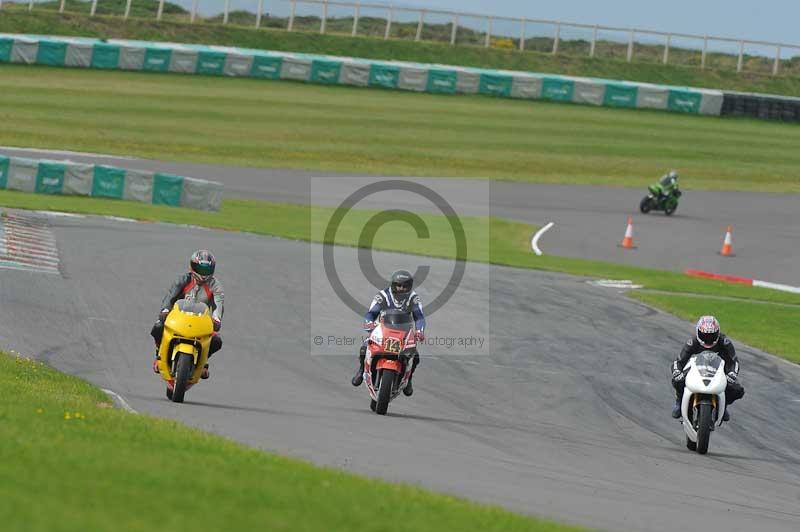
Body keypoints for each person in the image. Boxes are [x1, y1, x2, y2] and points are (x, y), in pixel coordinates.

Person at [151, 250, 225, 380]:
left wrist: (216, 319)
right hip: (178, 318)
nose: (203, 273)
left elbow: (218, 304)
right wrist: (165, 310)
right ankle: (158, 356)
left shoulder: (215, 286)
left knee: (216, 341)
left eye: (206, 269)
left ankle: (203, 364)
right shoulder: (183, 279)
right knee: (158, 327)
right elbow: (170, 296)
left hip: (201, 322)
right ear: (192, 266)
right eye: (200, 268)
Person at [351, 270, 426, 396]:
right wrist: (369, 324)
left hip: (404, 332)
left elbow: (419, 317)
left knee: (415, 355)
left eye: (404, 286)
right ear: (393, 284)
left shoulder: (414, 298)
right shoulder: (382, 295)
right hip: (383, 328)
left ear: (409, 286)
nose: (401, 288)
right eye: (398, 285)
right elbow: (371, 314)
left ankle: (409, 380)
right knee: (364, 347)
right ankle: (361, 370)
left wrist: (419, 331)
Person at [671, 315, 744, 421]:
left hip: (719, 371)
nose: (708, 339)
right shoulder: (692, 342)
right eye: (704, 336)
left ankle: (723, 405)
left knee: (737, 390)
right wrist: (676, 371)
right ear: (698, 332)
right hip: (696, 369)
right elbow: (679, 361)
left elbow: (734, 361)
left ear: (717, 333)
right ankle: (679, 401)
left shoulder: (724, 342)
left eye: (711, 336)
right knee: (677, 380)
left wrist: (732, 374)